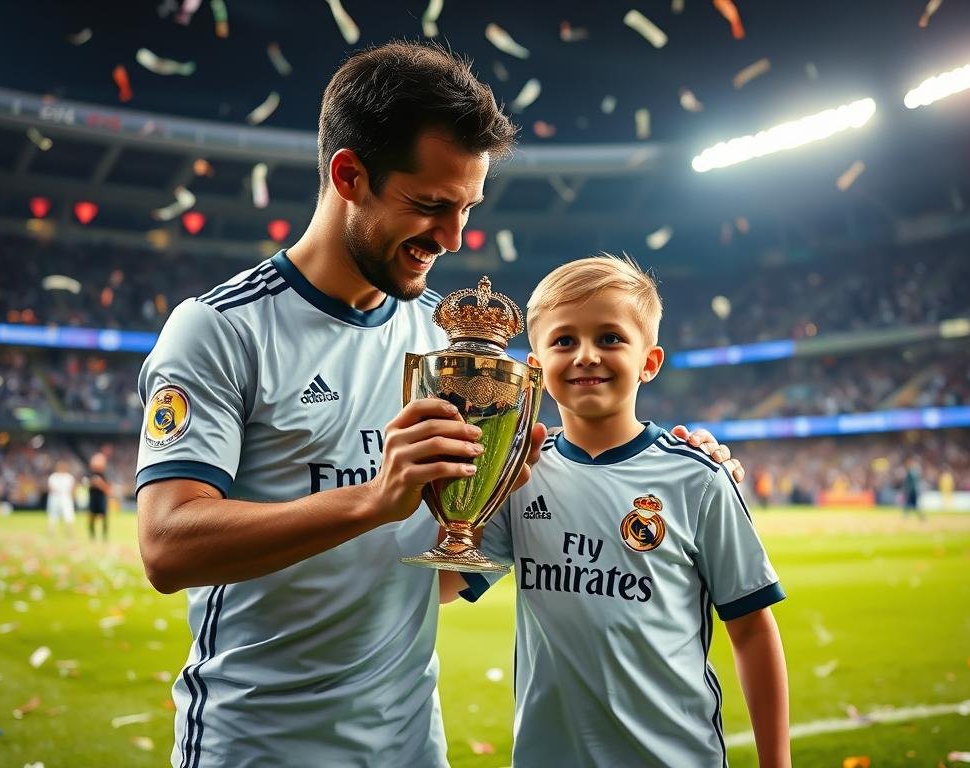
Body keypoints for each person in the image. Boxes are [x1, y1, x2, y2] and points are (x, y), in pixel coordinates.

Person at [135, 42, 743, 767]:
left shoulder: (451, 347)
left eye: (466, 209)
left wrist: (676, 475)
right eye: (431, 206)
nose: (453, 239)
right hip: (260, 747)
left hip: (410, 747)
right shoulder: (223, 328)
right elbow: (167, 546)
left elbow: (443, 577)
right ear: (349, 175)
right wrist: (374, 499)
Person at [444, 255, 790, 768]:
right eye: (564, 340)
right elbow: (445, 585)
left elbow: (752, 629)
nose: (586, 355)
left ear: (649, 361)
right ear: (535, 367)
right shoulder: (517, 475)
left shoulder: (698, 477)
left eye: (609, 338)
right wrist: (437, 498)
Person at [45, 460, 76, 536]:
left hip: (65, 497)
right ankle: (51, 532)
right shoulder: (53, 477)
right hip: (55, 498)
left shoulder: (69, 477)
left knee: (68, 515)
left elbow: (72, 488)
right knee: (53, 515)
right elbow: (50, 487)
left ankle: (69, 532)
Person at [87, 452, 111, 540]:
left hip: (102, 498)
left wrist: (100, 484)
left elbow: (108, 489)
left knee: (104, 518)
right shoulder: (89, 474)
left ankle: (104, 536)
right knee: (91, 517)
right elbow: (85, 484)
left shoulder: (105, 475)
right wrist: (92, 483)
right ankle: (92, 536)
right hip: (93, 498)